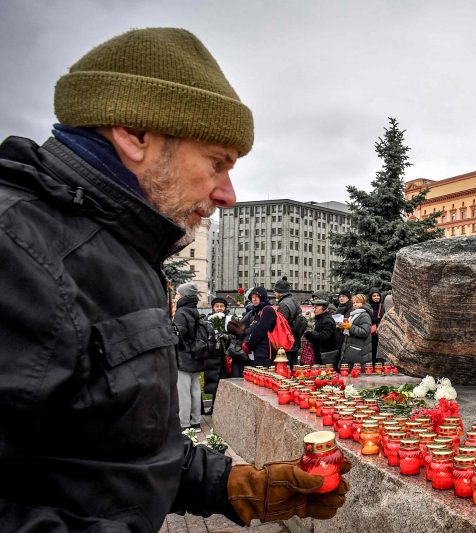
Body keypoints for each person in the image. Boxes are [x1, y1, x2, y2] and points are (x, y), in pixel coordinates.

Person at [0, 28, 347, 530]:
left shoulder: (124, 252)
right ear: (136, 134)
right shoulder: (19, 249)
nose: (227, 193)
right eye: (217, 163)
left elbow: (116, 449)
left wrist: (233, 486)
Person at [173, 282, 206, 432]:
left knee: (183, 392)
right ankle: (196, 422)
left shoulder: (181, 312)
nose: (175, 296)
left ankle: (184, 423)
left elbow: (178, 335)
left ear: (184, 296)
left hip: (184, 355)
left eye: (178, 294)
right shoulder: (194, 310)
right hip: (196, 354)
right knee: (195, 389)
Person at [274, 276, 304, 369]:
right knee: (293, 368)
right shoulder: (293, 300)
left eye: (275, 291)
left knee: (286, 370)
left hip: (287, 344)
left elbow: (281, 326)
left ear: (279, 292)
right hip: (294, 341)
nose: (274, 293)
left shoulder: (283, 304)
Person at [243, 286, 277, 367]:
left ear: (263, 297)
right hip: (257, 351)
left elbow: (260, 330)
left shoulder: (267, 310)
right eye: (252, 297)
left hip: (265, 353)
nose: (254, 299)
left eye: (257, 297)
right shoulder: (254, 312)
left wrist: (249, 345)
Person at [339, 293, 373, 368]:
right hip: (352, 349)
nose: (355, 304)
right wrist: (344, 327)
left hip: (359, 351)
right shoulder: (354, 314)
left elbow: (365, 332)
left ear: (363, 303)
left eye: (357, 302)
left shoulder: (364, 315)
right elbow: (350, 330)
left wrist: (350, 327)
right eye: (353, 303)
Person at [304, 299, 339, 365]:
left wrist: (310, 332)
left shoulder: (327, 320)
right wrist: (308, 333)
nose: (314, 310)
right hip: (320, 352)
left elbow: (324, 336)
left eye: (316, 307)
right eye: (314, 307)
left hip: (326, 354)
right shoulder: (319, 318)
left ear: (324, 308)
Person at [367, 288, 385, 364]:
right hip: (369, 331)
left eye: (378, 295)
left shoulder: (382, 306)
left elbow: (385, 317)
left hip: (379, 332)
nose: (376, 297)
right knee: (371, 349)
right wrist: (377, 319)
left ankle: (379, 365)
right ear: (371, 297)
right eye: (374, 296)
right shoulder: (368, 306)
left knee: (379, 349)